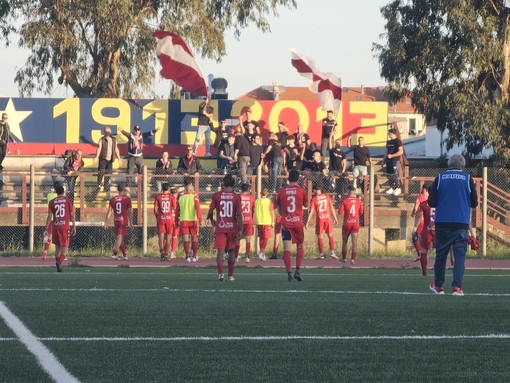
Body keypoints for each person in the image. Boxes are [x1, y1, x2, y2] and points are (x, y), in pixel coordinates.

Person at [427, 154, 478, 296]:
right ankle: (457, 288)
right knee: (459, 256)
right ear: (462, 165)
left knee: (441, 255)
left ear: (449, 165)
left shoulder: (440, 177)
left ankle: (439, 287)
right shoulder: (468, 179)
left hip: (443, 221)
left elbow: (431, 202)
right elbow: (474, 203)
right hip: (461, 222)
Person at [274, 169, 309, 281]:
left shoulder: (281, 191)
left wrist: (283, 213)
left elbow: (277, 206)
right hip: (297, 223)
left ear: (288, 178)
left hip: (286, 223)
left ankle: (289, 273)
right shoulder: (302, 191)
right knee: (299, 246)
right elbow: (306, 204)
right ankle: (297, 270)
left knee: (287, 249)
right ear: (298, 178)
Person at [207, 174, 242, 281]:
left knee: (220, 252)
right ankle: (230, 275)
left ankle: (220, 274)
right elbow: (239, 215)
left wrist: (211, 219)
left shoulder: (217, 195)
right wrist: (240, 229)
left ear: (223, 184)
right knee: (231, 252)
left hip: (221, 227)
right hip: (232, 228)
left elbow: (210, 210)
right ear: (233, 184)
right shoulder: (236, 197)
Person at [44, 183, 76, 272]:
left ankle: (58, 263)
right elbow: (72, 214)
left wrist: (46, 228)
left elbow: (49, 216)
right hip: (65, 226)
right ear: (63, 191)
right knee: (65, 247)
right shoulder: (67, 200)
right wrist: (73, 226)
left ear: (56, 192)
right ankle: (60, 262)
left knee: (57, 247)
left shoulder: (52, 202)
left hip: (55, 226)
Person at [305, 184, 339, 260]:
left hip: (320, 219)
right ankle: (332, 252)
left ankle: (321, 254)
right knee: (330, 235)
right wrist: (335, 218)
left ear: (315, 190)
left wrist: (307, 222)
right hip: (327, 218)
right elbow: (332, 208)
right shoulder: (327, 196)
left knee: (320, 236)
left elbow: (311, 212)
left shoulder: (314, 199)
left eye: (314, 190)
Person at [175, 180, 202, 262]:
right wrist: (200, 219)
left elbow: (177, 212)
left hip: (184, 221)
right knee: (194, 238)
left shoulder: (181, 198)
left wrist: (176, 221)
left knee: (185, 239)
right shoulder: (194, 197)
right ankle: (194, 256)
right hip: (193, 221)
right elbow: (198, 209)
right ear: (191, 190)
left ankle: (187, 256)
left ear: (185, 190)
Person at [104, 183, 132, 260]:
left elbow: (109, 211)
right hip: (123, 220)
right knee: (120, 237)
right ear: (124, 190)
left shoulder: (113, 199)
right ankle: (114, 252)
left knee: (120, 238)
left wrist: (106, 222)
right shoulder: (126, 199)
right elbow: (129, 212)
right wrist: (131, 222)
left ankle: (125, 254)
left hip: (116, 220)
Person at [338, 185, 364, 264]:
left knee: (345, 242)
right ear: (354, 192)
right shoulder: (358, 201)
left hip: (347, 223)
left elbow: (339, 212)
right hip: (355, 223)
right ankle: (353, 259)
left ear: (348, 191)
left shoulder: (345, 201)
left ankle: (344, 259)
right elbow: (361, 212)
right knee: (354, 242)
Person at [154, 182, 177, 260]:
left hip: (161, 218)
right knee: (168, 237)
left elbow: (155, 209)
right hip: (169, 219)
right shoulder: (171, 197)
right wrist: (176, 219)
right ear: (169, 189)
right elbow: (175, 209)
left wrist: (157, 217)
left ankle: (161, 252)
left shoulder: (158, 197)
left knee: (161, 236)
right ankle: (166, 254)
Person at [94, 126, 121, 193]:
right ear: (104, 132)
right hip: (103, 158)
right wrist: (97, 157)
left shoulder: (114, 139)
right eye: (106, 131)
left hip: (110, 159)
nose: (107, 133)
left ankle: (106, 187)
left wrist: (119, 158)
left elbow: (116, 149)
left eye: (108, 131)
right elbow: (99, 148)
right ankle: (99, 185)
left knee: (108, 173)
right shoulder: (102, 139)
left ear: (110, 132)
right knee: (101, 172)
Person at [415, 191, 435, 277]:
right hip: (438, 230)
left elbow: (419, 216)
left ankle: (424, 273)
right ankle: (438, 272)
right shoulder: (441, 203)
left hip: (427, 230)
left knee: (423, 252)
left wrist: (415, 227)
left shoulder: (423, 204)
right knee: (441, 253)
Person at [255, 188, 275, 261]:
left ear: (260, 193)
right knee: (266, 238)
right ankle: (262, 251)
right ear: (267, 194)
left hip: (259, 221)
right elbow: (272, 212)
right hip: (266, 221)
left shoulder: (257, 201)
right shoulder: (269, 201)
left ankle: (262, 254)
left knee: (261, 237)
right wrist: (273, 221)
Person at [236, 183, 255, 262]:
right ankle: (247, 256)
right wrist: (251, 217)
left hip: (240, 220)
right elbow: (253, 209)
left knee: (237, 239)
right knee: (248, 239)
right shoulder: (251, 197)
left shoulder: (238, 197)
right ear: (248, 189)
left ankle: (236, 256)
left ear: (241, 189)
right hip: (248, 220)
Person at [42, 181, 60, 261]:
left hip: (50, 218)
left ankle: (45, 252)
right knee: (59, 237)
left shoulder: (49, 195)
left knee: (49, 236)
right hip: (58, 219)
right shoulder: (59, 196)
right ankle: (60, 254)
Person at [382, 127, 403, 196]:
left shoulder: (398, 141)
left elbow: (401, 151)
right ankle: (391, 187)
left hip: (395, 160)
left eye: (389, 133)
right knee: (389, 174)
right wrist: (383, 160)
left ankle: (398, 187)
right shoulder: (388, 142)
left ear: (393, 134)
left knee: (394, 174)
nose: (388, 134)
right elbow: (386, 151)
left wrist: (392, 155)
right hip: (388, 160)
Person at [411, 184, 429, 261]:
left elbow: (416, 206)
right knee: (425, 238)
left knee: (415, 236)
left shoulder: (420, 196)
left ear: (425, 190)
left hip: (421, 220)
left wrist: (414, 212)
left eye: (423, 189)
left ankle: (419, 254)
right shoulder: (432, 198)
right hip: (429, 221)